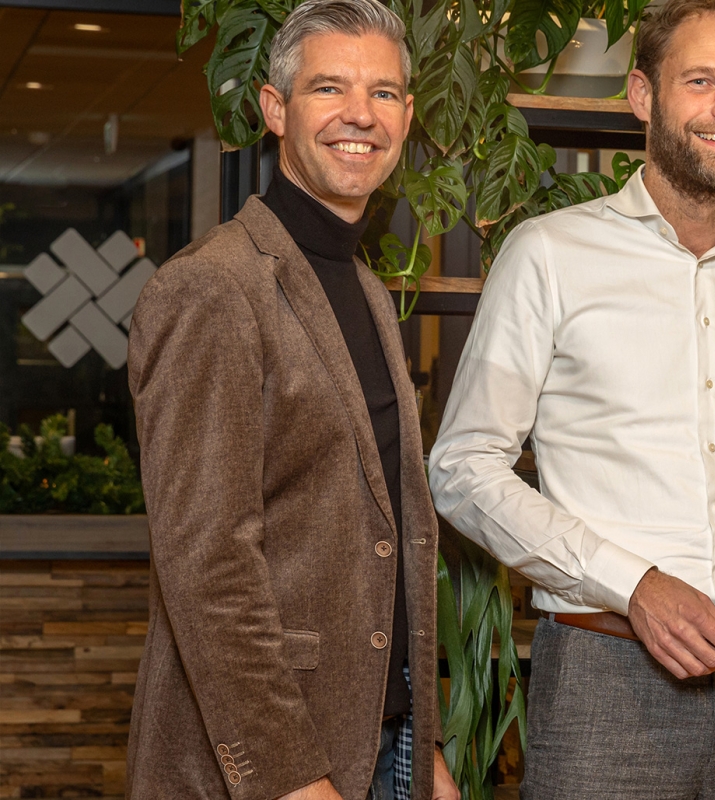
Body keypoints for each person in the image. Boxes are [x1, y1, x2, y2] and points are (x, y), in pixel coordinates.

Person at [428, 0, 715, 797]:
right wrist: (634, 585)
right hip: (605, 677)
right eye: (699, 81)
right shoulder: (549, 255)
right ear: (642, 95)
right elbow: (462, 466)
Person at [125, 1, 456, 797]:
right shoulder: (213, 287)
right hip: (276, 760)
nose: (359, 116)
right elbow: (209, 564)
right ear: (276, 109)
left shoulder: (366, 291)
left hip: (379, 743)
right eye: (329, 89)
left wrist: (423, 746)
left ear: (408, 117)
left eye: (383, 94)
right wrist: (288, 777)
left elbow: (383, 537)